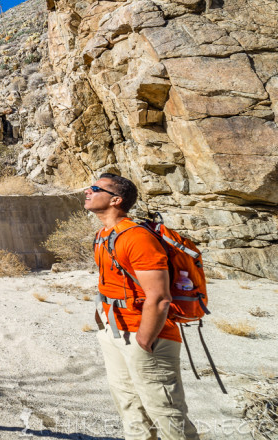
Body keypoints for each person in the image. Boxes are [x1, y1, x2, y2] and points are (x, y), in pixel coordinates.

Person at [88, 173, 199, 440]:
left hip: (146, 336)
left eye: (95, 188)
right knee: (131, 409)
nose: (87, 191)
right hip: (114, 333)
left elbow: (160, 298)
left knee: (167, 413)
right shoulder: (103, 234)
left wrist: (145, 340)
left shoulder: (136, 237)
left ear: (116, 200)